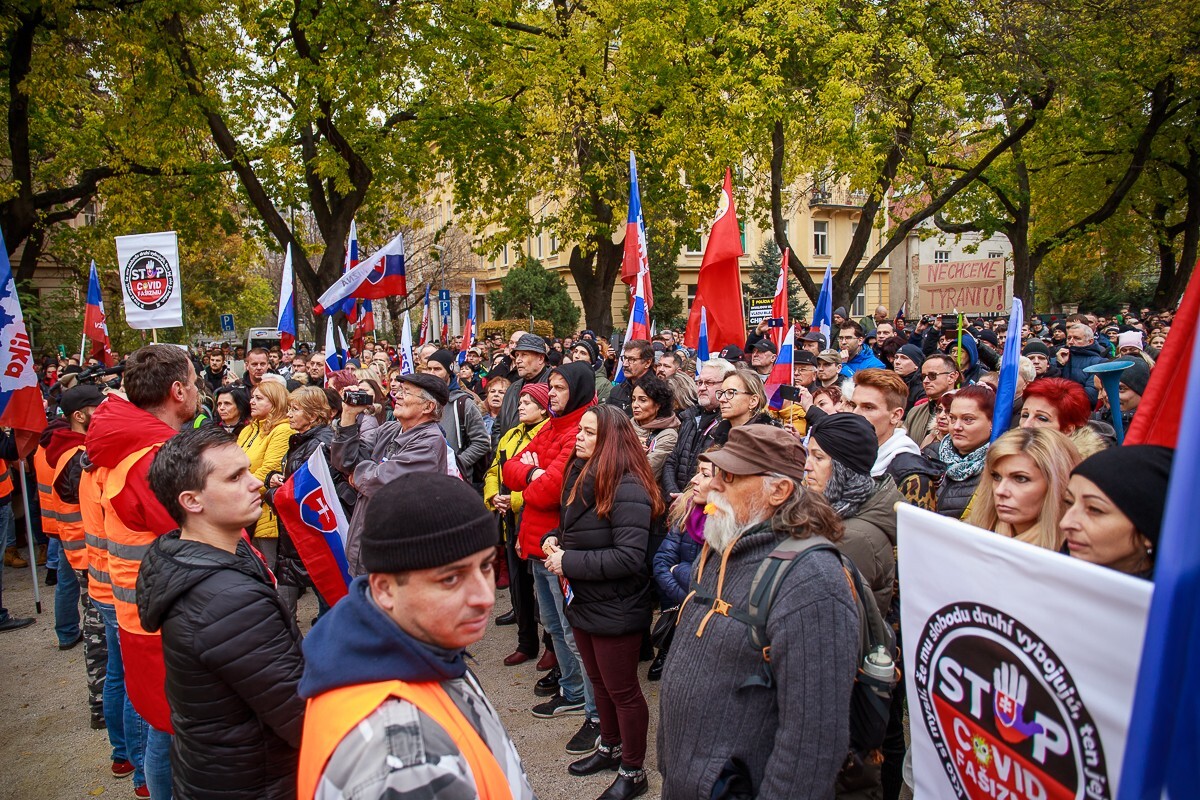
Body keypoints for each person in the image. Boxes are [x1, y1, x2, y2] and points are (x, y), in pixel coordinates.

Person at [296, 473, 536, 800]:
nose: (485, 597)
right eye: (450, 579)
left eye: (485, 566)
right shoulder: (407, 763)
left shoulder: (426, 650)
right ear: (384, 589)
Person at [658, 425, 859, 800]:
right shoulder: (730, 541)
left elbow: (812, 742)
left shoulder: (811, 581)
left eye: (730, 476)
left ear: (779, 490)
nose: (713, 485)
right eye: (716, 472)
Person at [138, 427, 305, 800]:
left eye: (248, 471)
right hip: (253, 781)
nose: (256, 484)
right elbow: (301, 715)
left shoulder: (191, 552)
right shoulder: (227, 600)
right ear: (191, 501)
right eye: (235, 477)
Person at [86, 344, 201, 799]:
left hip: (133, 601)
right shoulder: (151, 460)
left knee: (156, 719)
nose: (197, 391)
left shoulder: (130, 446)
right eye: (193, 383)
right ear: (177, 391)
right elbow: (196, 534)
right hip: (158, 613)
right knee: (167, 727)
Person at [546, 405, 662, 799]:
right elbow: (577, 527)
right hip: (585, 599)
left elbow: (629, 557)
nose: (578, 436)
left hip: (616, 604)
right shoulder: (579, 472)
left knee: (623, 690)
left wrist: (568, 560)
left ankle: (633, 771)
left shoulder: (628, 485)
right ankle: (610, 747)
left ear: (610, 440)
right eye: (580, 429)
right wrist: (555, 538)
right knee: (599, 682)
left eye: (589, 432)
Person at [501, 361, 603, 756]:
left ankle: (595, 714)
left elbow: (547, 492)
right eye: (551, 386)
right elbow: (512, 467)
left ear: (576, 390)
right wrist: (530, 473)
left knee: (574, 632)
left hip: (560, 545)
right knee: (555, 626)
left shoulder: (582, 428)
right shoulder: (552, 428)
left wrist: (531, 475)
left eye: (560, 387)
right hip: (534, 542)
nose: (553, 393)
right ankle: (573, 691)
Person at [331, 372, 450, 576]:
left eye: (407, 393)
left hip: (397, 555)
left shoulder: (429, 441)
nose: (398, 396)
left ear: (428, 407)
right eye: (400, 391)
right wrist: (349, 415)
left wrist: (357, 474)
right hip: (367, 543)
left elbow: (380, 481)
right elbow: (344, 461)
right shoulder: (390, 429)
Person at [44, 385, 107, 727]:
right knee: (98, 634)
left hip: (84, 553)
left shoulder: (70, 450)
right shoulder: (76, 457)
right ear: (80, 416)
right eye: (98, 407)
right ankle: (100, 704)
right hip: (89, 557)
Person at [264, 387, 355, 622]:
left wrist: (272, 492)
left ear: (314, 416)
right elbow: (293, 476)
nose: (289, 415)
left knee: (329, 599)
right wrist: (273, 477)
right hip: (304, 533)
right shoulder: (305, 440)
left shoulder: (318, 444)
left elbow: (302, 492)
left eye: (295, 410)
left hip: (315, 533)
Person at [803, 412, 899, 616]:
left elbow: (828, 615)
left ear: (843, 469)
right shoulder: (834, 508)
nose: (807, 466)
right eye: (808, 455)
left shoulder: (854, 538)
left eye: (818, 457)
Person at [484, 384, 552, 667]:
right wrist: (492, 496)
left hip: (533, 520)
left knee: (542, 587)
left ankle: (551, 645)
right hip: (508, 522)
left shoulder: (548, 436)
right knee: (518, 586)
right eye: (520, 401)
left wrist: (512, 499)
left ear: (543, 406)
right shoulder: (510, 435)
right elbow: (493, 470)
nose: (521, 406)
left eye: (528, 402)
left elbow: (543, 481)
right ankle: (526, 642)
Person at [1061, 445, 1174, 580]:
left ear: (1148, 532)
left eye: (1095, 509)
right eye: (1069, 502)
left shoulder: (1177, 600)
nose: (1065, 523)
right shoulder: (1047, 581)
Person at [649, 454, 714, 680]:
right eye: (698, 471)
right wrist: (686, 600)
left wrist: (679, 570)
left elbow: (711, 584)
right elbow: (661, 563)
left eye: (705, 474)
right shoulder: (685, 511)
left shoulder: (729, 525)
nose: (694, 479)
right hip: (683, 610)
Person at [966, 427, 1082, 552]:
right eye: (997, 477)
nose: (1000, 490)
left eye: (1020, 479)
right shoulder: (967, 536)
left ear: (1058, 484)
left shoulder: (1078, 556)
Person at [841, 369, 941, 511]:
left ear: (895, 415)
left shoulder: (913, 477)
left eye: (868, 407)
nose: (855, 414)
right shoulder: (839, 455)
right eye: (853, 405)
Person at [237, 381, 295, 570]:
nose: (252, 402)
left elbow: (269, 470)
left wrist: (236, 489)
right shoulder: (248, 430)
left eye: (259, 398)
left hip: (266, 514)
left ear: (275, 402)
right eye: (252, 397)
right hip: (246, 509)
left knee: (272, 575)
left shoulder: (283, 430)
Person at [661, 358, 736, 499]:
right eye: (699, 382)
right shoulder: (689, 417)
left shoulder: (729, 424)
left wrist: (688, 498)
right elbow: (672, 460)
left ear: (727, 386)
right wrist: (673, 493)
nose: (701, 388)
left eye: (709, 383)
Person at [423, 349, 490, 485]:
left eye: (437, 369)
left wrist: (457, 462)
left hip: (456, 480)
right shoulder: (420, 399)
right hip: (426, 476)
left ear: (449, 371)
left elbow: (481, 442)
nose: (432, 373)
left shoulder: (463, 403)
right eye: (429, 369)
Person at [935, 384, 994, 519]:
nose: (956, 427)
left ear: (992, 422)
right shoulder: (930, 454)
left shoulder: (997, 468)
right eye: (953, 418)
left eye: (968, 419)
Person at [496, 333, 552, 438]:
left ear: (540, 359)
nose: (518, 360)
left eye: (524, 355)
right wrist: (499, 451)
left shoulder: (553, 388)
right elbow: (498, 426)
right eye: (517, 355)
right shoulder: (513, 387)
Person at [630, 374, 680, 481]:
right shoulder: (625, 425)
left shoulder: (668, 435)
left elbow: (645, 472)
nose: (635, 405)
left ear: (658, 405)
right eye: (633, 399)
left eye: (642, 400)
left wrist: (630, 450)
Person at [905, 354, 960, 445]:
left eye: (932, 375)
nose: (926, 381)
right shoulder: (914, 412)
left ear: (952, 377)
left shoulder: (963, 414)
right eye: (923, 376)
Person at [1056, 323, 1106, 403]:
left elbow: (1091, 395)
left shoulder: (1099, 363)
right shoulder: (1059, 357)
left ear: (1090, 341)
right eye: (1069, 338)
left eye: (1077, 338)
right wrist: (1060, 365)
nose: (1071, 342)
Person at [608, 339, 655, 415]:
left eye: (632, 359)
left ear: (647, 363)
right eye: (625, 358)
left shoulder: (658, 392)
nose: (625, 364)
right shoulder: (616, 391)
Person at [893, 343, 926, 412]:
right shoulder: (890, 383)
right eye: (896, 357)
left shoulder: (923, 387)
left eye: (904, 358)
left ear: (916, 365)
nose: (897, 362)